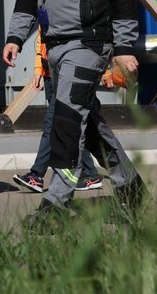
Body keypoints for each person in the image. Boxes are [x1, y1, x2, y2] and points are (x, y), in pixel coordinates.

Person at [1, 0, 145, 225]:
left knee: (66, 119)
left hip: (89, 45)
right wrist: (15, 36)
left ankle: (55, 203)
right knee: (89, 123)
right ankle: (131, 187)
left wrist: (125, 47)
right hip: (53, 47)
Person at [11, 34, 103, 194]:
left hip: (66, 72)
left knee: (52, 124)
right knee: (73, 128)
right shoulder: (44, 10)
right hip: (49, 73)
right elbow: (41, 42)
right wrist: (38, 71)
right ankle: (89, 175)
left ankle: (37, 175)